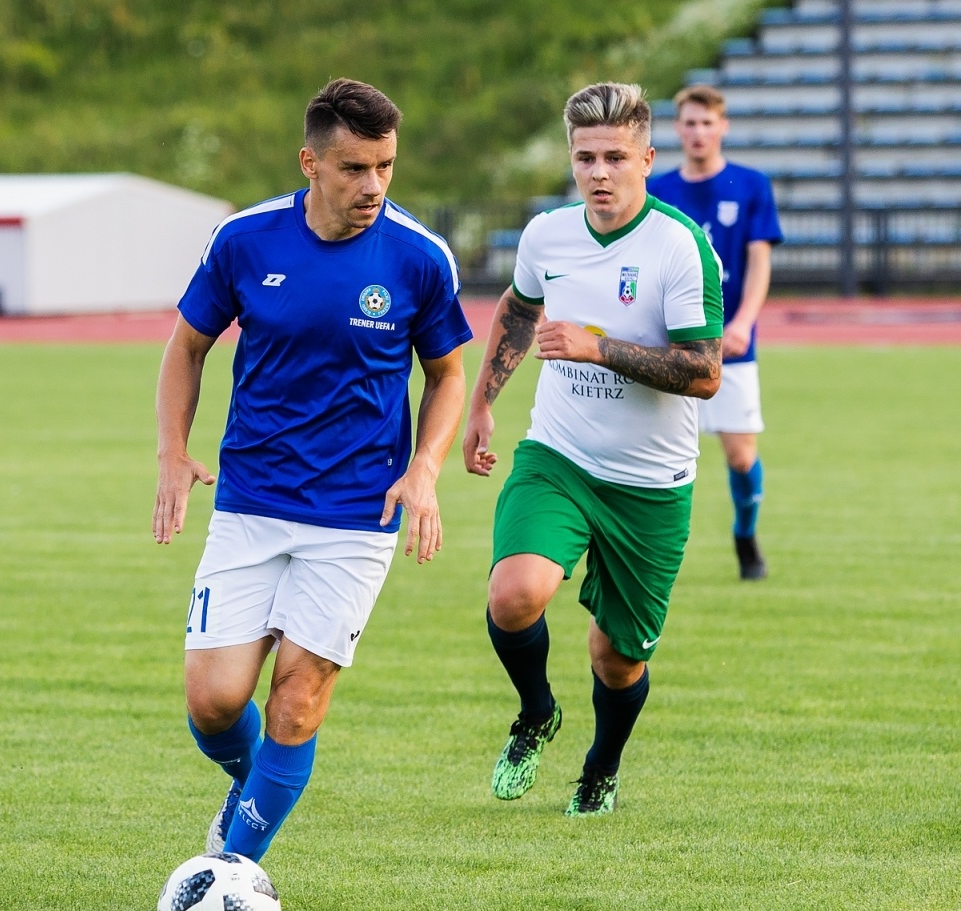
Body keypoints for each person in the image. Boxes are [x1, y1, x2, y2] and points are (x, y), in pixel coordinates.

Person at [153, 78, 471, 861]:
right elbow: (186, 346)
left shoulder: (419, 257)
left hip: (357, 513)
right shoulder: (245, 239)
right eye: (355, 169)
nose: (373, 186)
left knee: (297, 702)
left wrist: (426, 466)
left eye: (386, 167)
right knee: (214, 702)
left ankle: (231, 870)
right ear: (310, 162)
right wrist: (171, 450)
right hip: (251, 501)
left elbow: (449, 374)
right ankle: (249, 780)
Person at [463, 82, 723, 817]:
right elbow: (516, 309)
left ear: (647, 157)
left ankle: (601, 765)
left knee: (617, 657)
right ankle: (536, 712)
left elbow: (704, 372)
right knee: (515, 595)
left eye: (615, 156)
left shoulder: (680, 246)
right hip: (559, 456)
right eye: (585, 158)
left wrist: (597, 346)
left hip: (650, 482)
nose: (600, 172)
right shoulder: (547, 235)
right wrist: (483, 404)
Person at [648, 85, 783, 580]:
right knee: (649, 451)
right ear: (677, 128)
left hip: (732, 347)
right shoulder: (659, 189)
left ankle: (746, 535)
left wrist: (744, 322)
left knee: (741, 455)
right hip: (671, 346)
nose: (698, 132)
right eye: (689, 122)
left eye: (707, 123)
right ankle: (646, 549)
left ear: (722, 127)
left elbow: (759, 261)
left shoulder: (751, 185)